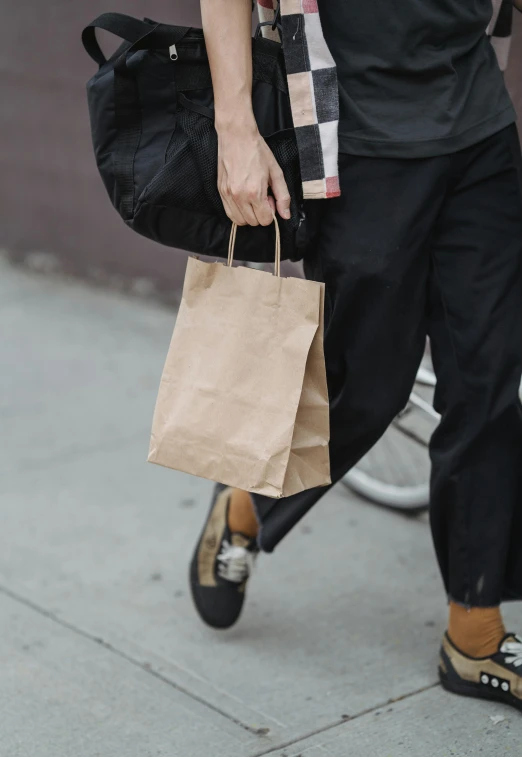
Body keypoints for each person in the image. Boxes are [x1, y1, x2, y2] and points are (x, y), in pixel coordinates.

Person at [190, 0, 522, 712]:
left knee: (490, 381)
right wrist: (236, 128)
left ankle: (475, 628)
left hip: (479, 128)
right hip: (356, 140)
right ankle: (246, 503)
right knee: (362, 389)